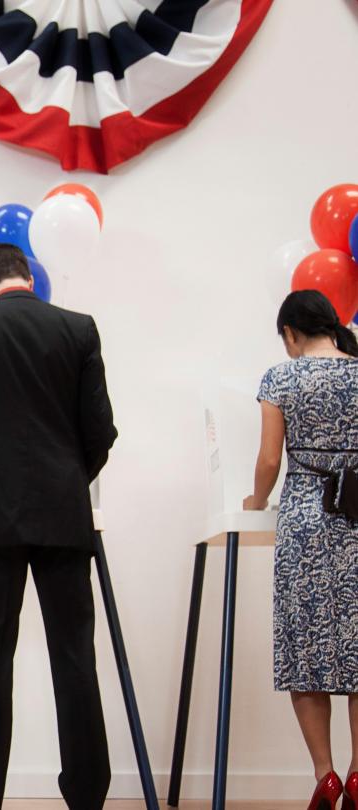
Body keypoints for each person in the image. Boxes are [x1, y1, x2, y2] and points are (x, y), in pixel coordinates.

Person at [0, 244, 117, 810]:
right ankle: (87, 793)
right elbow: (101, 430)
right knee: (74, 653)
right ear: (29, 278)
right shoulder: (79, 328)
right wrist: (68, 479)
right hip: (63, 509)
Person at [244, 289, 358, 810]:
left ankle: (325, 775)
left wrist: (256, 498)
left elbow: (270, 459)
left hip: (306, 521)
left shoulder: (281, 377)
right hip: (356, 517)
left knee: (305, 646)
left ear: (291, 332)